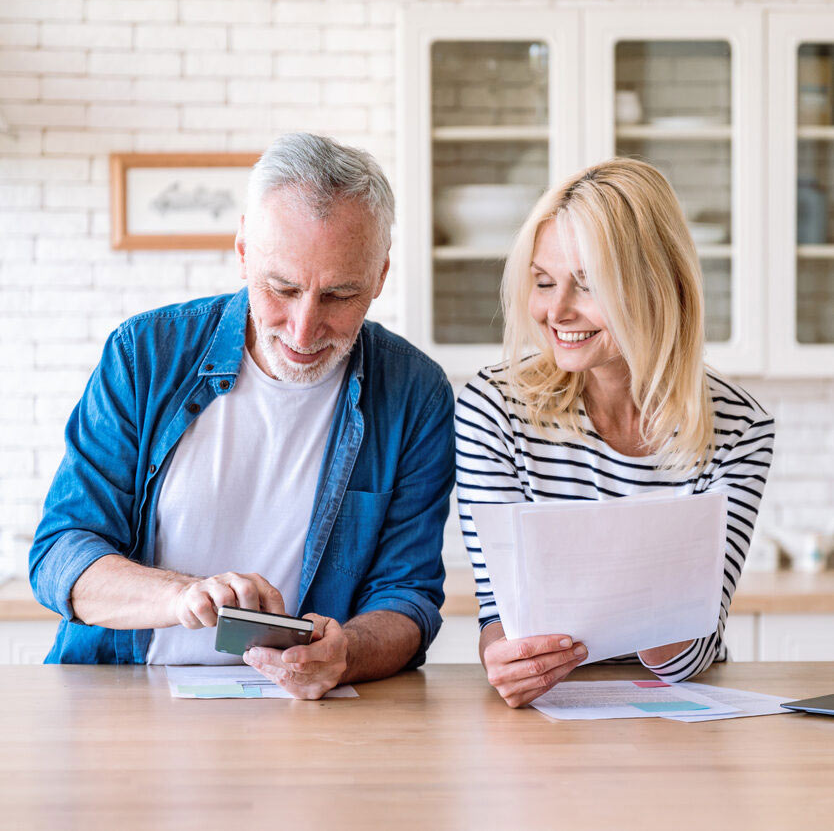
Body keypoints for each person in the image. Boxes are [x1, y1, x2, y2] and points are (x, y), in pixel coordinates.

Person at [29, 133, 455, 699]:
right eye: (282, 288)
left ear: (380, 276)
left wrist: (344, 654)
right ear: (243, 251)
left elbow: (408, 596)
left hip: (306, 715)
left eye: (339, 295)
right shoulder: (144, 355)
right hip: (123, 693)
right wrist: (181, 598)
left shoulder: (416, 393)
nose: (304, 330)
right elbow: (60, 554)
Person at [455, 158, 774, 708]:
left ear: (659, 286)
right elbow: (500, 614)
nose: (556, 311)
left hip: (677, 712)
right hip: (546, 712)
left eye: (588, 285)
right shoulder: (494, 408)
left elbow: (691, 652)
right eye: (543, 281)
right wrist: (505, 658)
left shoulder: (739, 427)